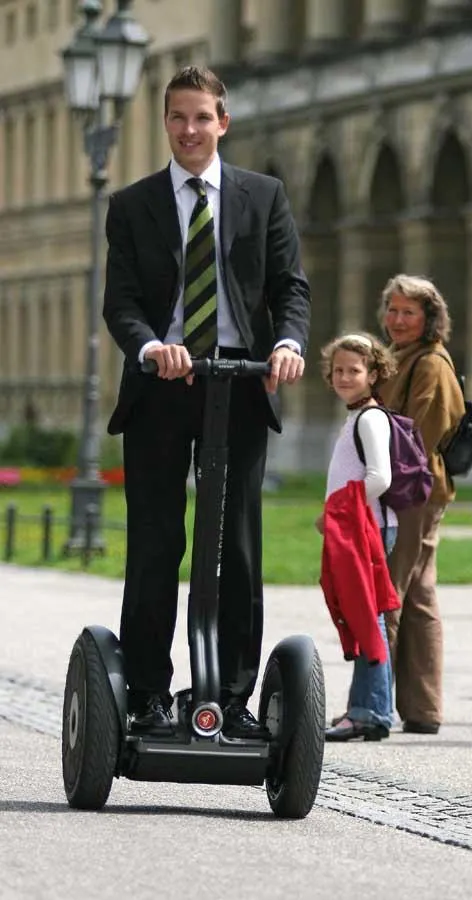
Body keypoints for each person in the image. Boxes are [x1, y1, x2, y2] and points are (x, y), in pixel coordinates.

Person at [102, 66, 310, 738]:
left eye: (201, 117)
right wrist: (149, 349)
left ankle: (233, 695)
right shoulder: (133, 205)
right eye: (177, 117)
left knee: (238, 546)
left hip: (240, 385)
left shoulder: (262, 196)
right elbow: (122, 303)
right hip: (164, 386)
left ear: (224, 122)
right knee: (157, 543)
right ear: (165, 124)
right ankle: (145, 692)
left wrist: (288, 344)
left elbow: (290, 288)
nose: (189, 130)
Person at [377, 274, 465, 735]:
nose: (397, 320)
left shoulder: (430, 363)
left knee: (390, 591)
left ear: (429, 318)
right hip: (413, 488)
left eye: (408, 312)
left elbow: (421, 434)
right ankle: (421, 708)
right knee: (418, 594)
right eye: (393, 310)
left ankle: (374, 704)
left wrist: (386, 482)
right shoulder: (402, 358)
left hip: (412, 490)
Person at [316, 333, 401, 742]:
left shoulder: (370, 418)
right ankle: (364, 708)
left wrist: (338, 508)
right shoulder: (356, 417)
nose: (345, 377)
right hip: (355, 526)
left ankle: (372, 712)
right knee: (364, 615)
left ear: (374, 374)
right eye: (338, 371)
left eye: (354, 370)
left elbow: (380, 477)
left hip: (367, 529)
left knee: (369, 616)